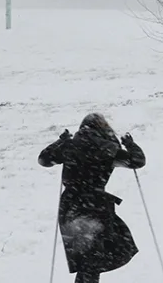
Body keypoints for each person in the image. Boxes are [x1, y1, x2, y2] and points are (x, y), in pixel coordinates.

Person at [38, 113, 145, 283]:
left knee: (87, 260)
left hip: (70, 206)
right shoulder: (107, 148)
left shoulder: (70, 145)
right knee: (99, 256)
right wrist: (130, 145)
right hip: (94, 205)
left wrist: (60, 142)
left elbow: (43, 160)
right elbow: (137, 161)